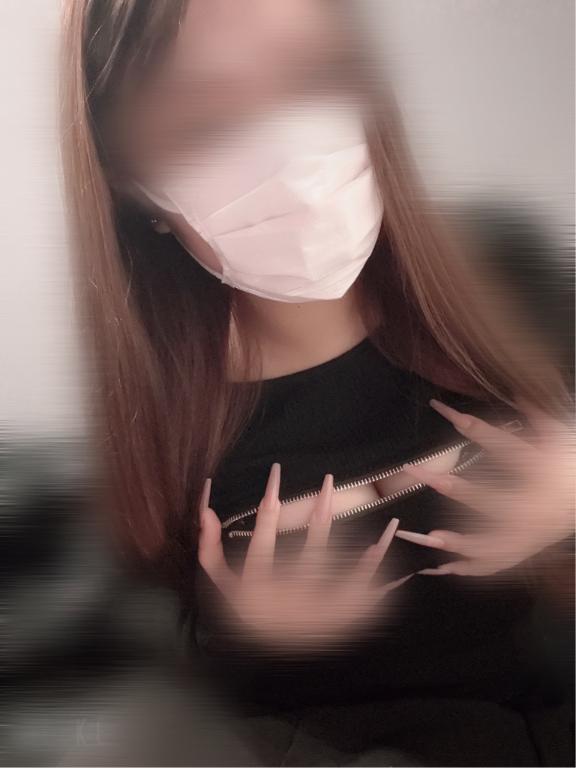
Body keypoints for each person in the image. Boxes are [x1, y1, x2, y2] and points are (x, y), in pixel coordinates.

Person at [59, 1, 574, 764]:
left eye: (310, 75)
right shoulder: (142, 433)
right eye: (210, 115)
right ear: (129, 182)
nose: (290, 150)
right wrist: (245, 644)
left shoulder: (512, 278)